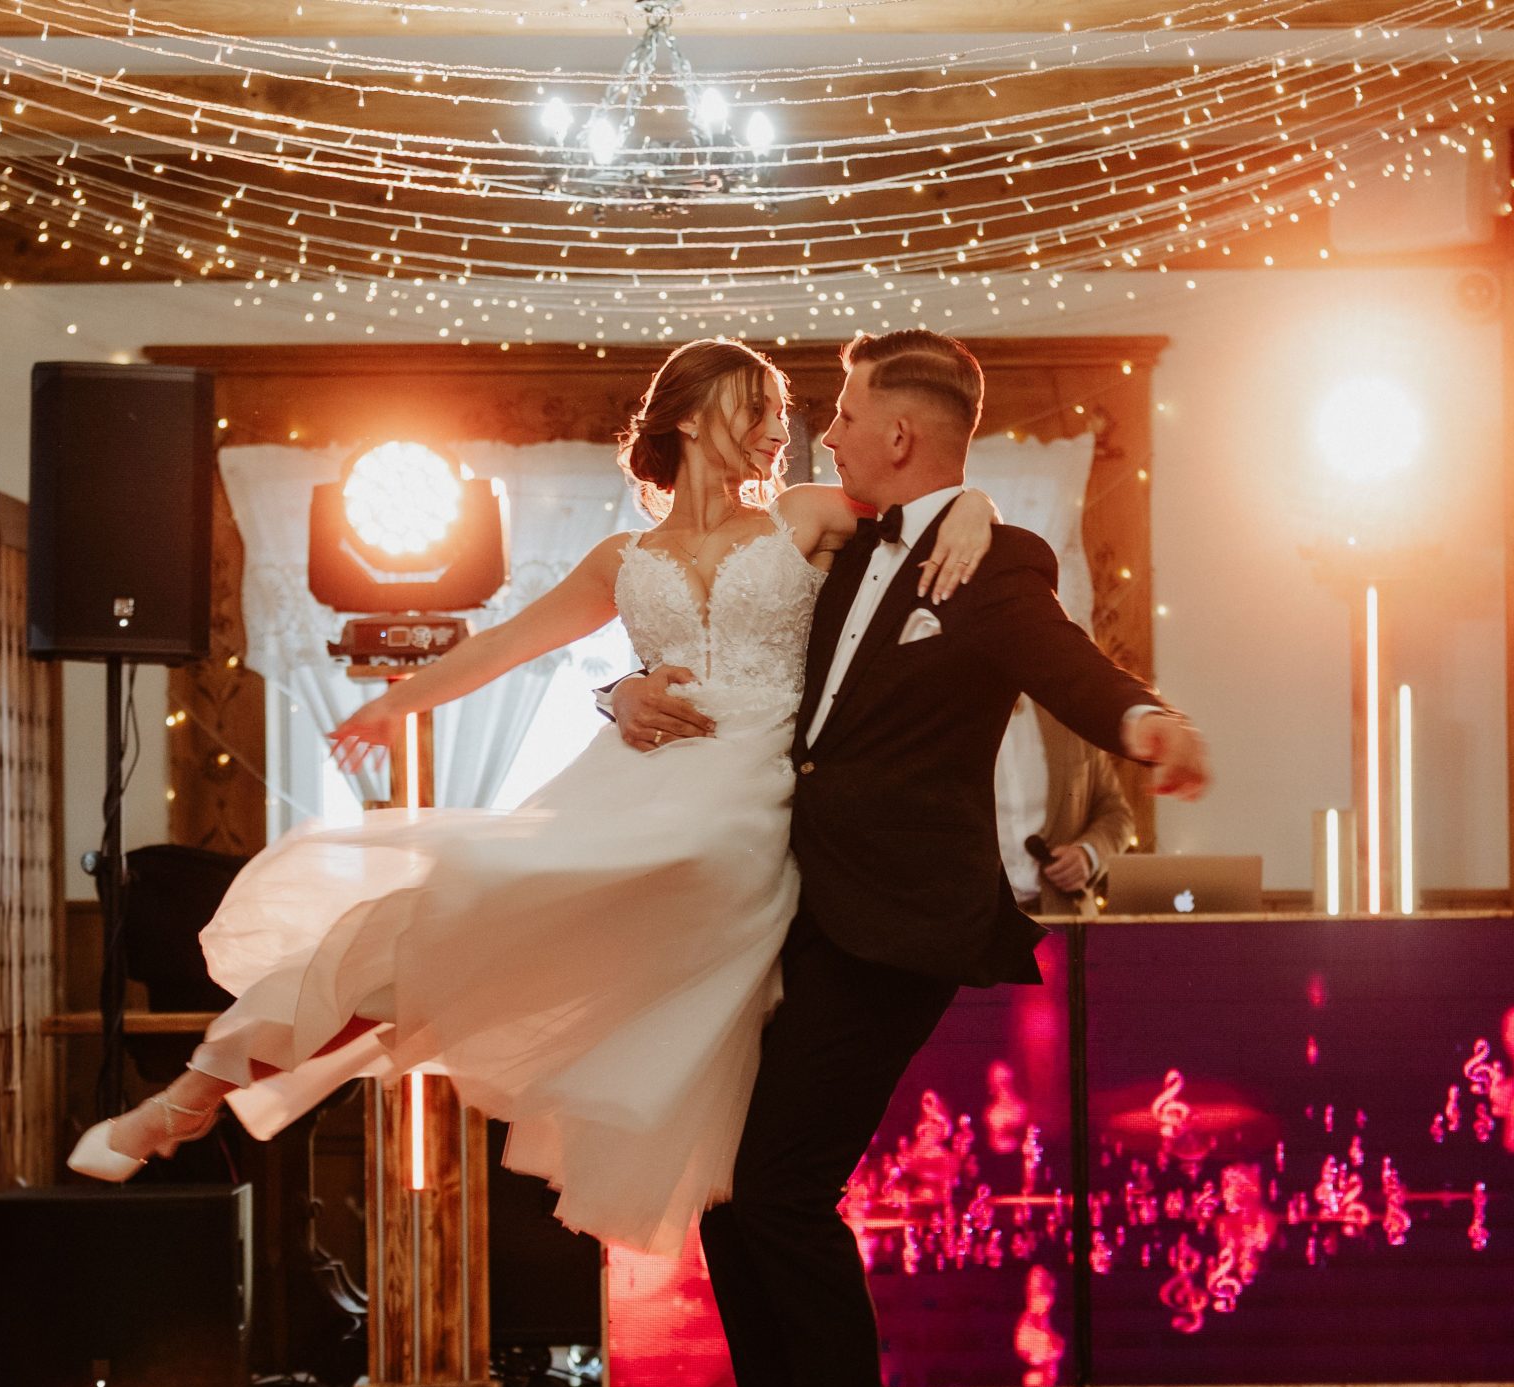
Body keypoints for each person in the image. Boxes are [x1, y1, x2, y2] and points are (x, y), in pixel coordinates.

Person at [67, 338, 1004, 1264]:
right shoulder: (621, 558)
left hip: (744, 801)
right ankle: (189, 1097)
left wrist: (977, 505)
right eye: (757, 407)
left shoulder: (806, 514)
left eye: (781, 412)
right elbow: (504, 644)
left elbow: (922, 507)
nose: (778, 429)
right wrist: (407, 702)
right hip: (632, 785)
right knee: (433, 925)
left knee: (660, 875)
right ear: (689, 419)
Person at [612, 330, 1210, 1387]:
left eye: (842, 414)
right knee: (732, 1198)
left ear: (897, 434)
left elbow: (1063, 663)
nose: (823, 434)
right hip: (790, 908)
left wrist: (1144, 722)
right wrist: (621, 687)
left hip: (898, 923)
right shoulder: (840, 545)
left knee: (779, 1195)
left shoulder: (994, 561)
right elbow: (720, 631)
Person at [1000, 695, 1136, 914]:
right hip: (975, 921)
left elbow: (1116, 813)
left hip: (1065, 915)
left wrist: (1088, 854)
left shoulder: (1070, 716)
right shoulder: (950, 724)